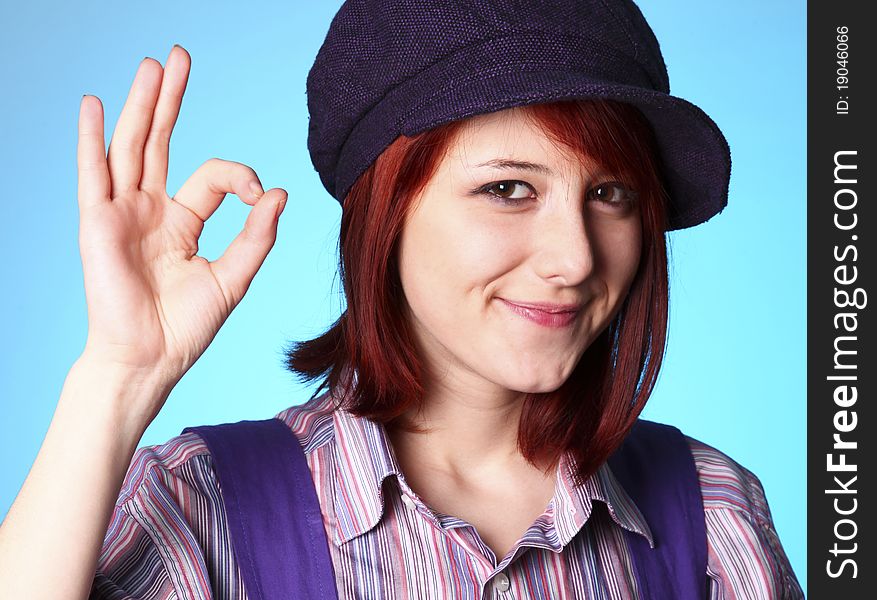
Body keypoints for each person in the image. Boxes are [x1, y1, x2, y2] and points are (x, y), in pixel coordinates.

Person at [0, 0, 803, 598]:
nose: (573, 258)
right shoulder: (202, 507)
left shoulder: (710, 510)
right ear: (386, 213)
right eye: (509, 189)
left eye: (612, 194)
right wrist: (116, 376)